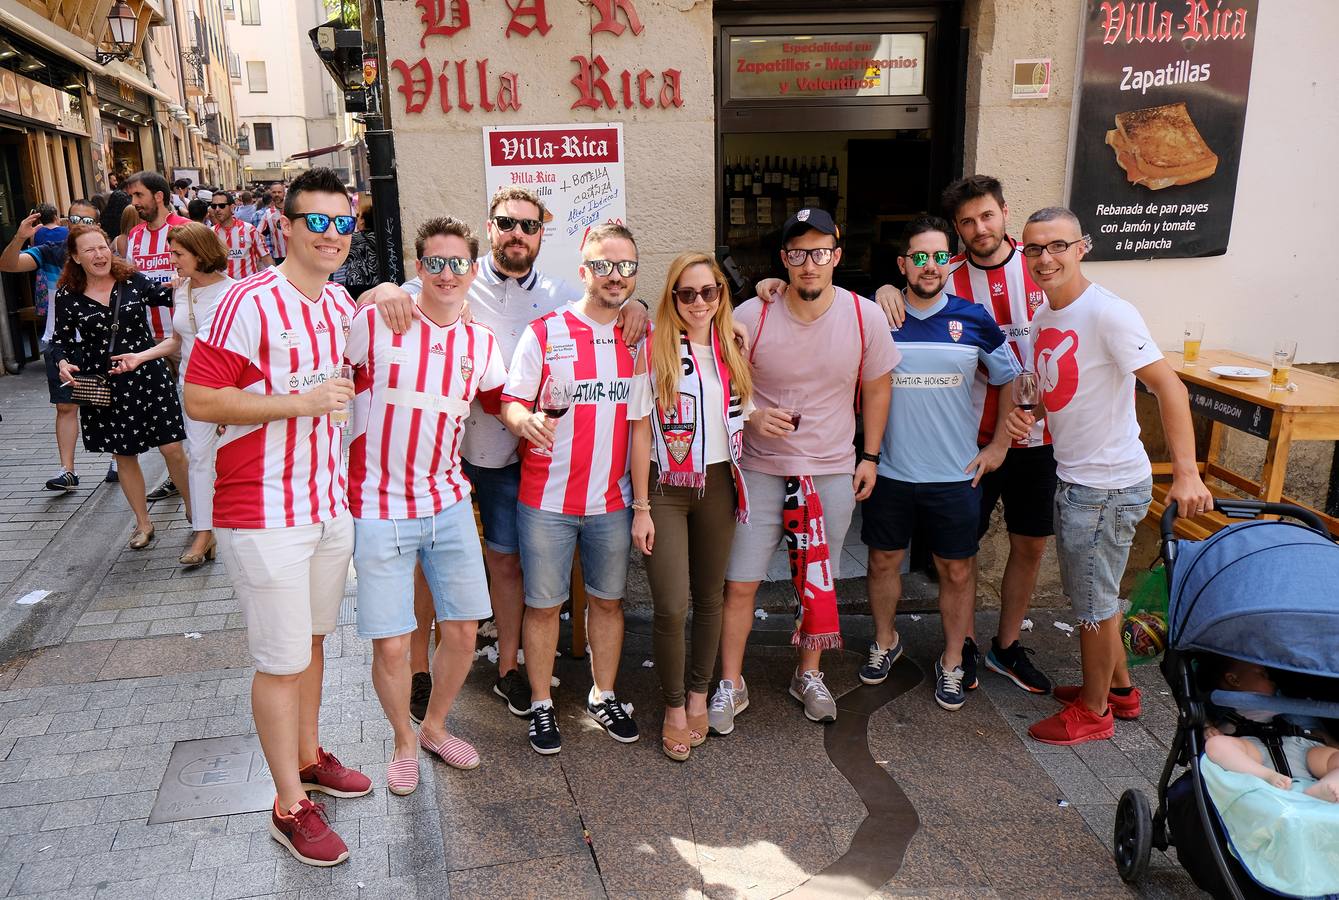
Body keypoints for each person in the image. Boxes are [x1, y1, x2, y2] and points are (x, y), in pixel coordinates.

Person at [374, 187, 648, 723]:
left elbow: (603, 304)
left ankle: (507, 668)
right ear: (491, 226)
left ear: (543, 234)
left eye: (529, 226)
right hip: (444, 446)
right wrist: (382, 287)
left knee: (505, 561)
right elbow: (392, 297)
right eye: (507, 223)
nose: (517, 234)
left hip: (509, 451)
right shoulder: (456, 273)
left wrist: (633, 301)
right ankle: (417, 669)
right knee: (425, 563)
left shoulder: (557, 290)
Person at [184, 167, 370, 867]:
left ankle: (308, 755)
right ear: (284, 226)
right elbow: (201, 400)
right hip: (261, 510)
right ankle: (288, 804)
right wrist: (300, 403)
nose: (330, 235)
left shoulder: (338, 302)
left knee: (313, 644)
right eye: (315, 221)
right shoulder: (246, 302)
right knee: (281, 659)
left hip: (325, 504)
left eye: (341, 222)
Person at [1004, 207, 1212, 745]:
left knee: (1093, 607)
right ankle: (1118, 689)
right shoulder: (1046, 317)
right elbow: (1066, 390)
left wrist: (1186, 474)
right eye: (1033, 249)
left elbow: (1171, 388)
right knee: (1092, 597)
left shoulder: (1109, 313)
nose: (1044, 258)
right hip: (1076, 478)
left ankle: (1095, 713)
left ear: (1082, 248)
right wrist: (1032, 413)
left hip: (1107, 485)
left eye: (1056, 246)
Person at [711, 208, 897, 733]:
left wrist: (871, 455)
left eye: (819, 252)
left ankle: (808, 673)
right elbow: (719, 380)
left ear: (837, 257)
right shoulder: (752, 315)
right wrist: (751, 415)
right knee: (741, 583)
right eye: (797, 254)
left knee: (818, 582)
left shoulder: (865, 317)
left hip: (831, 469)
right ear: (784, 261)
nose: (808, 264)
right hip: (760, 470)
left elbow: (878, 386)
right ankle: (731, 681)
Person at [872, 175, 1057, 695]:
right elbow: (899, 292)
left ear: (1004, 213)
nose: (980, 228)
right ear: (958, 231)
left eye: (988, 216)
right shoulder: (944, 274)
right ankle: (964, 648)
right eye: (968, 221)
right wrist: (886, 289)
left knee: (1029, 544)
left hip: (1035, 434)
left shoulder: (1041, 264)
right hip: (968, 440)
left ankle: (1007, 646)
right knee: (957, 554)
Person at [346, 216, 506, 795]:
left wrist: (525, 417)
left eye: (457, 262)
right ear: (418, 268)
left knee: (463, 631)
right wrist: (374, 289)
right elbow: (326, 328)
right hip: (376, 503)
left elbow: (497, 398)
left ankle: (435, 726)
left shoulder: (481, 341)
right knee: (391, 640)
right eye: (434, 262)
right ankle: (403, 741)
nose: (446, 273)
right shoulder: (378, 318)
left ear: (472, 269)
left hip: (448, 501)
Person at [860, 216, 1020, 711]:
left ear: (949, 262)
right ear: (903, 264)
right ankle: (886, 641)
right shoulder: (876, 316)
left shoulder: (973, 318)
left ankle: (953, 660)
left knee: (956, 570)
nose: (929, 267)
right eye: (918, 257)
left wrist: (998, 447)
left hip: (954, 475)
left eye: (938, 257)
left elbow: (1009, 378)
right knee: (883, 561)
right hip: (889, 471)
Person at [499, 222, 643, 755]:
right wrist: (522, 421)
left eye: (625, 266)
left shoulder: (640, 336)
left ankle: (604, 695)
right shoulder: (545, 332)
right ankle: (541, 704)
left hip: (613, 500)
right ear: (583, 270)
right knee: (543, 607)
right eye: (603, 264)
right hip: (546, 501)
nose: (614, 275)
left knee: (608, 604)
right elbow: (511, 401)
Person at [629, 251, 753, 760]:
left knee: (711, 598)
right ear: (672, 298)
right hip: (666, 486)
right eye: (687, 293)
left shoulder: (733, 345)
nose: (698, 302)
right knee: (672, 603)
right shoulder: (654, 347)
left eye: (708, 292)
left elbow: (745, 410)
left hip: (722, 482)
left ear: (721, 295)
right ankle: (674, 705)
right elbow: (638, 430)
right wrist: (640, 506)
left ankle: (701, 695)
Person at [50, 225, 191, 549]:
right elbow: (59, 340)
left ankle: (194, 512)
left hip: (147, 373)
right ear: (75, 257)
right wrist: (62, 362)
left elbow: (166, 296)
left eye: (102, 247)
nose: (99, 255)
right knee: (124, 455)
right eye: (89, 250)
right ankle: (143, 524)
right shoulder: (68, 296)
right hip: (106, 382)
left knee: (171, 447)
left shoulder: (131, 280)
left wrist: (180, 284)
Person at [0, 200, 100, 491]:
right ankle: (67, 470)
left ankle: (118, 461)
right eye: (75, 218)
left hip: (99, 340)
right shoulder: (51, 252)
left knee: (106, 404)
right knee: (65, 407)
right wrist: (19, 237)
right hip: (61, 343)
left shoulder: (105, 254)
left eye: (89, 220)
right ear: (67, 222)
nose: (81, 223)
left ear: (98, 223)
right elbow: (7, 264)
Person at [156, 223, 233, 567]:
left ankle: (237, 525)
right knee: (200, 457)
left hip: (227, 389)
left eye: (178, 254)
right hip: (190, 387)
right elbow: (177, 341)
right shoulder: (180, 290)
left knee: (229, 458)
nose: (172, 259)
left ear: (200, 254)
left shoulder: (235, 293)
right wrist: (140, 357)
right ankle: (205, 531)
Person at [125, 171, 193, 502]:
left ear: (159, 197)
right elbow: (129, 281)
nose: (134, 203)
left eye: (139, 196)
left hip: (184, 337)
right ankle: (176, 474)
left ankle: (200, 470)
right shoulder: (135, 237)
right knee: (168, 415)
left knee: (194, 407)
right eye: (132, 197)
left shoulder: (185, 229)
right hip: (148, 341)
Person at [1203, 659, 1339, 802]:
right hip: (1253, 751)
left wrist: (1321, 737)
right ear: (1234, 679)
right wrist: (1208, 728)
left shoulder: (1285, 701)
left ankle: (1326, 785)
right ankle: (1266, 776)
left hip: (1300, 748)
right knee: (1216, 744)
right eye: (1263, 675)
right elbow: (1204, 718)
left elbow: (1312, 727)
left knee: (1335, 757)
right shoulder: (1220, 706)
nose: (1273, 682)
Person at [210, 190, 272, 280]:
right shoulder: (211, 234)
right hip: (223, 290)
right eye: (214, 206)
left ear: (232, 207)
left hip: (248, 288)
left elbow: (266, 258)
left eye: (222, 206)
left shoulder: (249, 229)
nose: (217, 209)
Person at [337, 197, 379, 300]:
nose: (357, 220)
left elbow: (342, 258)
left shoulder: (353, 238)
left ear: (363, 221)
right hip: (376, 282)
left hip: (354, 281)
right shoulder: (380, 238)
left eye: (359, 216)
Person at [260, 182, 288, 265]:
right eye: (274, 192)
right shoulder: (268, 214)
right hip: (279, 257)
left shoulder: (293, 210)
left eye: (279, 192)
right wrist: (266, 255)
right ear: (270, 194)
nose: (277, 194)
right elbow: (259, 236)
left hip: (297, 255)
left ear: (284, 193)